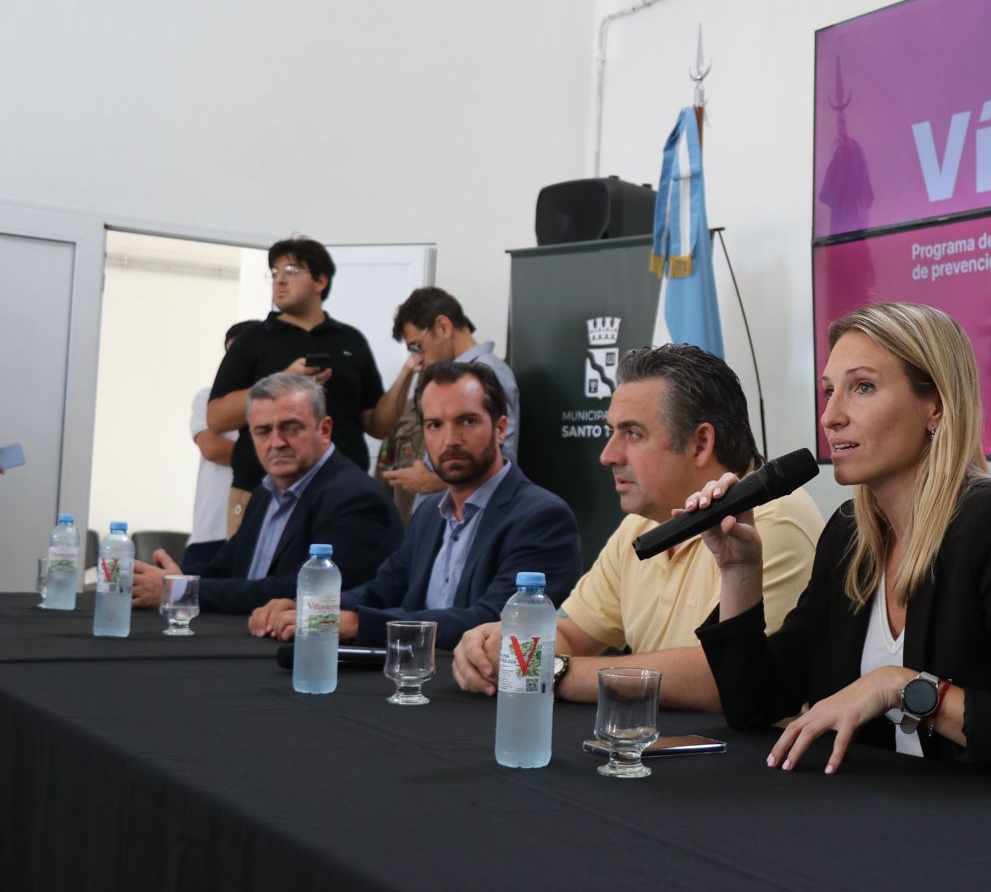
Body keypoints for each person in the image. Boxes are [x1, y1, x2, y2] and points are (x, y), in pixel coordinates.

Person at [690, 302, 991, 788]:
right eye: (829, 391)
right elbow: (754, 705)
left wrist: (902, 687)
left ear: (936, 406)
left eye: (862, 387)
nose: (830, 417)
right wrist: (738, 571)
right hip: (877, 813)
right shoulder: (848, 535)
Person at [451, 344, 823, 710]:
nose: (607, 455)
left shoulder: (771, 519)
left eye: (632, 433)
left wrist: (552, 671)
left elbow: (727, 678)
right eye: (611, 431)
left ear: (700, 443)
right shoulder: (638, 526)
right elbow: (569, 634)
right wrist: (500, 646)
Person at [248, 361, 581, 649]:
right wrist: (313, 607)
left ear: (500, 428)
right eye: (435, 425)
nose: (450, 440)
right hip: (414, 675)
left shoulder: (541, 516)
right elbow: (382, 591)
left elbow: (496, 621)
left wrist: (360, 624)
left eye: (467, 421)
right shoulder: (429, 512)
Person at [133, 374, 402, 614]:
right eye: (263, 431)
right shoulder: (266, 491)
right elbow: (226, 568)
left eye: (291, 428)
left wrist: (181, 590)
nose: (276, 442)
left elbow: (302, 591)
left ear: (324, 430)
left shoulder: (356, 498)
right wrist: (166, 579)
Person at [207, 235, 384, 537]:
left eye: (290, 270)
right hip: (261, 491)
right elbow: (216, 418)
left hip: (341, 493)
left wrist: (409, 371)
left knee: (336, 568)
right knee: (253, 568)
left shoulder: (351, 340)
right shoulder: (252, 340)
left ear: (320, 281)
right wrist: (281, 382)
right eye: (275, 272)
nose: (279, 280)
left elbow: (376, 424)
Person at [368, 287, 521, 522]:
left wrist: (432, 481)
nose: (417, 359)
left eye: (417, 346)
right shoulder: (454, 376)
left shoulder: (488, 373)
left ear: (443, 327)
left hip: (470, 521)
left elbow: (502, 463)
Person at [183, 319, 258, 571]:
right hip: (210, 531)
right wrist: (262, 458)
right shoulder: (207, 397)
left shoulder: (280, 401)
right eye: (230, 356)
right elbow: (211, 449)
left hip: (256, 530)